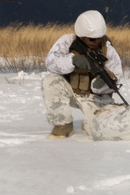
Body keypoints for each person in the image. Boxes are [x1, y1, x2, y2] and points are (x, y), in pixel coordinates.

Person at [41, 10, 125, 138]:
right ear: (82, 35)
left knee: (98, 129)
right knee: (50, 81)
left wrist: (100, 85)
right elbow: (51, 63)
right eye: (92, 39)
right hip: (72, 91)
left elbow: (116, 75)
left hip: (95, 98)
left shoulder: (107, 49)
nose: (96, 41)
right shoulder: (68, 41)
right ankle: (63, 126)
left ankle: (90, 123)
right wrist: (72, 60)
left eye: (99, 38)